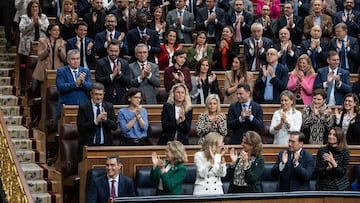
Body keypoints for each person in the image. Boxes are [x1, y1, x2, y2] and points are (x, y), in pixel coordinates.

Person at [77, 82, 117, 160]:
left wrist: (105, 120)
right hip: (89, 146)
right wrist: (96, 121)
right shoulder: (84, 107)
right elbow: (81, 128)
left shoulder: (109, 106)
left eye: (100, 94)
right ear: (91, 94)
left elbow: (114, 126)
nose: (98, 97)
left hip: (105, 146)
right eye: (96, 94)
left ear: (104, 94)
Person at [56, 49, 92, 118]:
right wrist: (75, 84)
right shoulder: (61, 71)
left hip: (83, 106)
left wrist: (82, 82)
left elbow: (90, 86)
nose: (76, 61)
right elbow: (60, 87)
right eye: (73, 59)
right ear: (68, 60)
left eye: (77, 59)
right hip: (67, 106)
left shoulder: (85, 71)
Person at [32, 23, 66, 96]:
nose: (57, 32)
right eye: (54, 30)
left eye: (58, 30)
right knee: (37, 91)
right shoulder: (42, 41)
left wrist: (60, 51)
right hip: (43, 69)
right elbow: (40, 56)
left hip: (57, 70)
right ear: (49, 31)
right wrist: (47, 50)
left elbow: (64, 59)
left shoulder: (62, 42)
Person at [95, 39, 130, 105]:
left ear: (119, 51)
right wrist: (112, 76)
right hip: (106, 97)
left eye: (116, 51)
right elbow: (98, 80)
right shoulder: (100, 63)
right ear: (107, 50)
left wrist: (120, 74)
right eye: (111, 51)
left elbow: (128, 82)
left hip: (121, 97)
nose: (113, 53)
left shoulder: (124, 63)